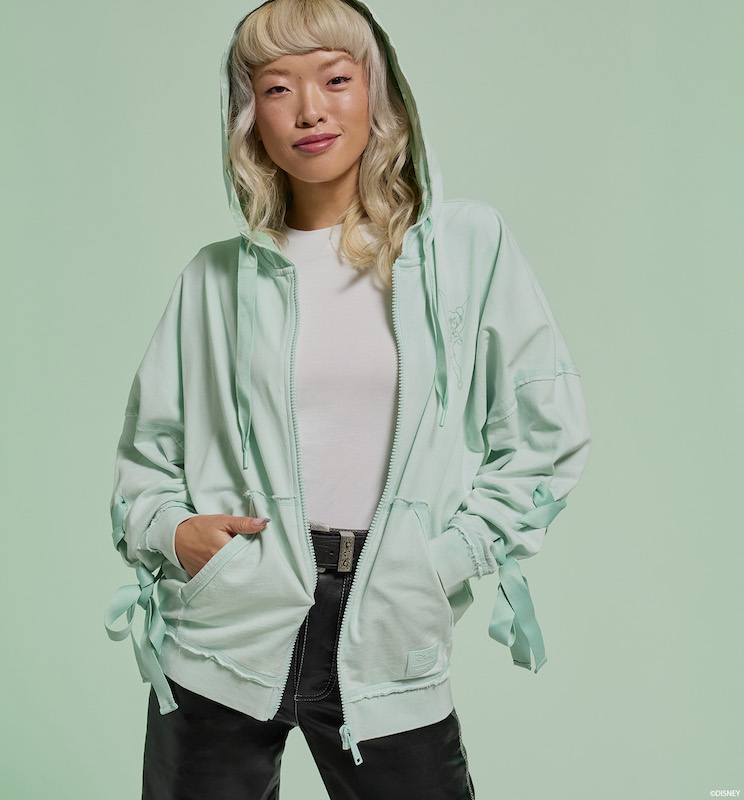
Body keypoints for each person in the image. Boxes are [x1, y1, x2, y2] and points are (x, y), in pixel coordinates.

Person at [103, 0, 591, 797]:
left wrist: (447, 560)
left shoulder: (464, 248)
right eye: (276, 88)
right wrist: (178, 532)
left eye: (335, 77)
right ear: (248, 114)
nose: (310, 109)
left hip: (389, 613)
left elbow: (549, 433)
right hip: (229, 621)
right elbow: (144, 459)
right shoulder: (213, 278)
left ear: (377, 92)